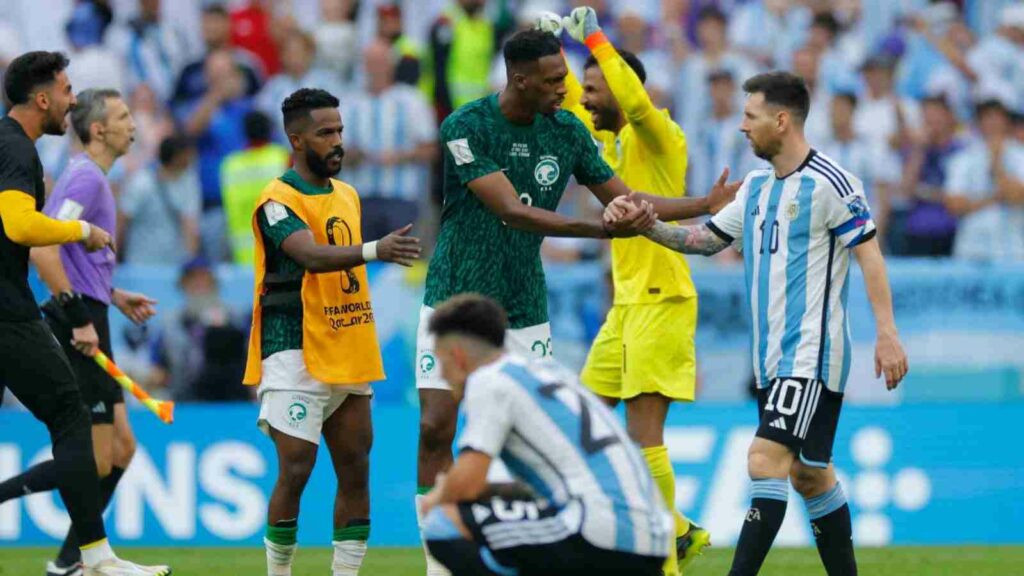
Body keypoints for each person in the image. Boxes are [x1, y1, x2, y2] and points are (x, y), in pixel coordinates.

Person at [415, 28, 735, 576]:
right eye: (554, 80)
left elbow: (624, 197)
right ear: (520, 80)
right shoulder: (464, 126)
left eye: (566, 77)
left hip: (522, 303)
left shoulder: (564, 130)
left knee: (527, 434)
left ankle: (514, 554)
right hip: (454, 297)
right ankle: (437, 564)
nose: (565, 89)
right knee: (436, 427)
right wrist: (604, 231)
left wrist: (701, 204)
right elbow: (511, 210)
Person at [614, 71, 908, 576]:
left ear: (782, 119)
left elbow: (870, 254)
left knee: (763, 460)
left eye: (750, 116)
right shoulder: (753, 187)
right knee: (810, 477)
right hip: (773, 360)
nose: (742, 127)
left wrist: (886, 333)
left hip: (810, 354)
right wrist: (649, 225)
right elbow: (705, 241)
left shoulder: (831, 183)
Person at [551, 7, 710, 574]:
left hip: (662, 299)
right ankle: (681, 531)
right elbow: (569, 105)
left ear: (622, 86)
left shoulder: (660, 134)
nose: (586, 98)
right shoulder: (609, 146)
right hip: (624, 309)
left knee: (645, 439)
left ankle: (663, 562)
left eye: (597, 88)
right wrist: (557, 52)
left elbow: (633, 100)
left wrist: (594, 37)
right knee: (582, 429)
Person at [242, 88, 422, 576]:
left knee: (355, 467)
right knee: (297, 467)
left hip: (347, 344)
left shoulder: (348, 195)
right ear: (296, 139)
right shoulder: (276, 200)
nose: (338, 141)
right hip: (293, 348)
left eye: (340, 131)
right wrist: (374, 251)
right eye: (326, 133)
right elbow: (309, 254)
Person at [0, 50, 167, 576]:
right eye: (123, 118)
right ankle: (85, 559)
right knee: (82, 431)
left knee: (117, 448)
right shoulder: (74, 175)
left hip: (63, 309)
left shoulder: (30, 157)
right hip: (37, 314)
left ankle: (80, 557)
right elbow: (34, 238)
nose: (134, 126)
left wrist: (110, 296)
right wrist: (79, 309)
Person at [419, 294, 671, 576]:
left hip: (596, 531)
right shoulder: (549, 372)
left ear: (458, 356)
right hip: (653, 539)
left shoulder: (489, 381)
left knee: (444, 521)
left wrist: (437, 495)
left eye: (440, 361)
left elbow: (468, 483)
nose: (441, 373)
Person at [342, 39, 438, 241]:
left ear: (391, 65)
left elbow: (431, 149)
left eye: (380, 62)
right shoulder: (349, 102)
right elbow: (333, 152)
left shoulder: (412, 100)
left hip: (401, 198)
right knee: (361, 264)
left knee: (399, 265)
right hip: (359, 198)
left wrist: (399, 156)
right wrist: (351, 155)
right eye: (370, 62)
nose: (375, 68)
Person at [944, 98, 1024, 261]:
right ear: (978, 124)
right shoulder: (963, 158)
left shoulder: (1020, 156)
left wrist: (997, 163)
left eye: (997, 118)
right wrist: (994, 198)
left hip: (1013, 248)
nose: (993, 124)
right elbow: (954, 205)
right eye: (987, 118)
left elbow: (1017, 196)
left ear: (1007, 123)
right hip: (971, 247)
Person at [118, 134, 202, 265]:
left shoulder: (189, 181)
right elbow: (122, 220)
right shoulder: (142, 182)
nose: (192, 159)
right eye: (188, 155)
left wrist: (191, 261)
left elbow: (190, 224)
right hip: (141, 262)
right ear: (176, 158)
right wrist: (114, 256)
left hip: (175, 264)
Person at [221, 110, 290, 265]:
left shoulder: (229, 165)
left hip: (243, 254)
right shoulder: (283, 158)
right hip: (280, 251)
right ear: (270, 130)